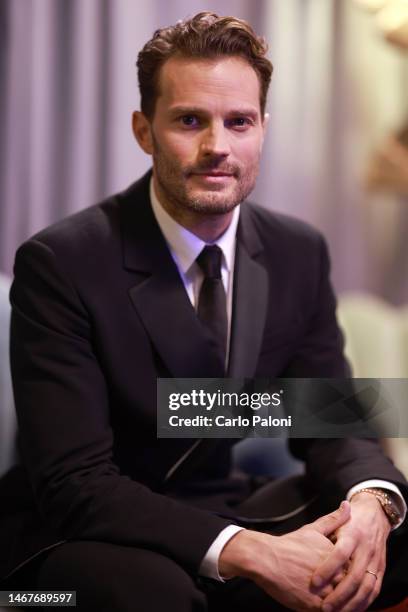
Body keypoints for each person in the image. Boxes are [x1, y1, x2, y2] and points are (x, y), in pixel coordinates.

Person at [0, 12, 407, 612]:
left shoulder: (297, 251)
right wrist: (252, 551)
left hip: (227, 502)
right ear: (144, 130)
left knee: (388, 541)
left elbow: (330, 415)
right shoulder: (61, 262)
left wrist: (371, 502)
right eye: (190, 120)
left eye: (238, 121)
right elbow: (75, 483)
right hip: (80, 538)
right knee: (157, 597)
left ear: (262, 129)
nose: (217, 147)